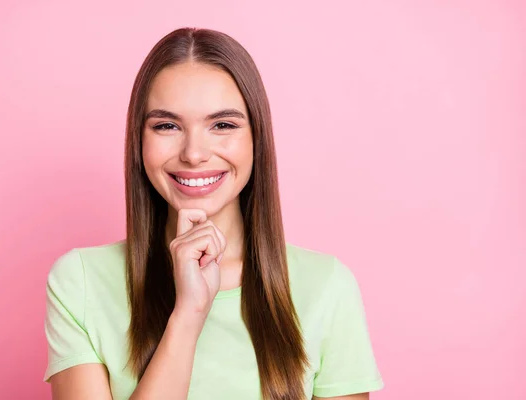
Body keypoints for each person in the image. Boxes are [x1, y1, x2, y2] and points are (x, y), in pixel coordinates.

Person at [43, 27, 384, 400]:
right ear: (139, 140)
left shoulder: (326, 287)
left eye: (222, 125)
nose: (193, 153)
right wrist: (188, 316)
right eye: (167, 126)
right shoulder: (81, 282)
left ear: (257, 138)